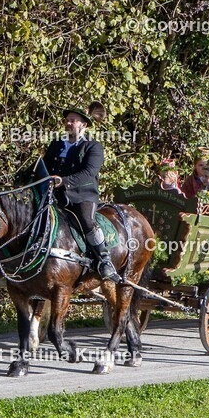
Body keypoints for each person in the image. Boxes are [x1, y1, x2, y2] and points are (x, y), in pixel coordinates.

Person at [44, 101, 122, 283]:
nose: (68, 123)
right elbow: (45, 167)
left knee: (87, 221)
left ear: (84, 125)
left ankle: (104, 260)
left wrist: (64, 181)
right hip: (54, 196)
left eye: (73, 120)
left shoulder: (93, 147)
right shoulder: (56, 144)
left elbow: (89, 173)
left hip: (82, 196)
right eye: (67, 119)